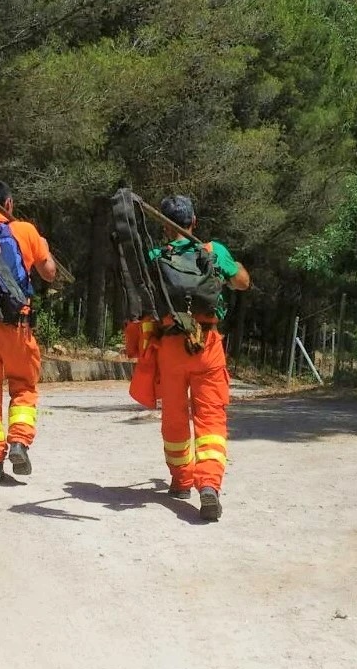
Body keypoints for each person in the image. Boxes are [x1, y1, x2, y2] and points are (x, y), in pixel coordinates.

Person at [149, 195, 250, 521]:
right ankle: (208, 485)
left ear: (166, 226)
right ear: (194, 221)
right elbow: (242, 283)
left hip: (170, 347)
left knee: (175, 418)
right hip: (206, 345)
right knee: (210, 420)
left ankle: (181, 481)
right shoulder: (213, 251)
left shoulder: (154, 257)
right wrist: (225, 265)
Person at [0, 179, 56, 485]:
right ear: (8, 204)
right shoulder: (25, 230)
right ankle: (19, 442)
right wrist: (40, 245)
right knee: (24, 386)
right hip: (18, 325)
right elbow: (49, 272)